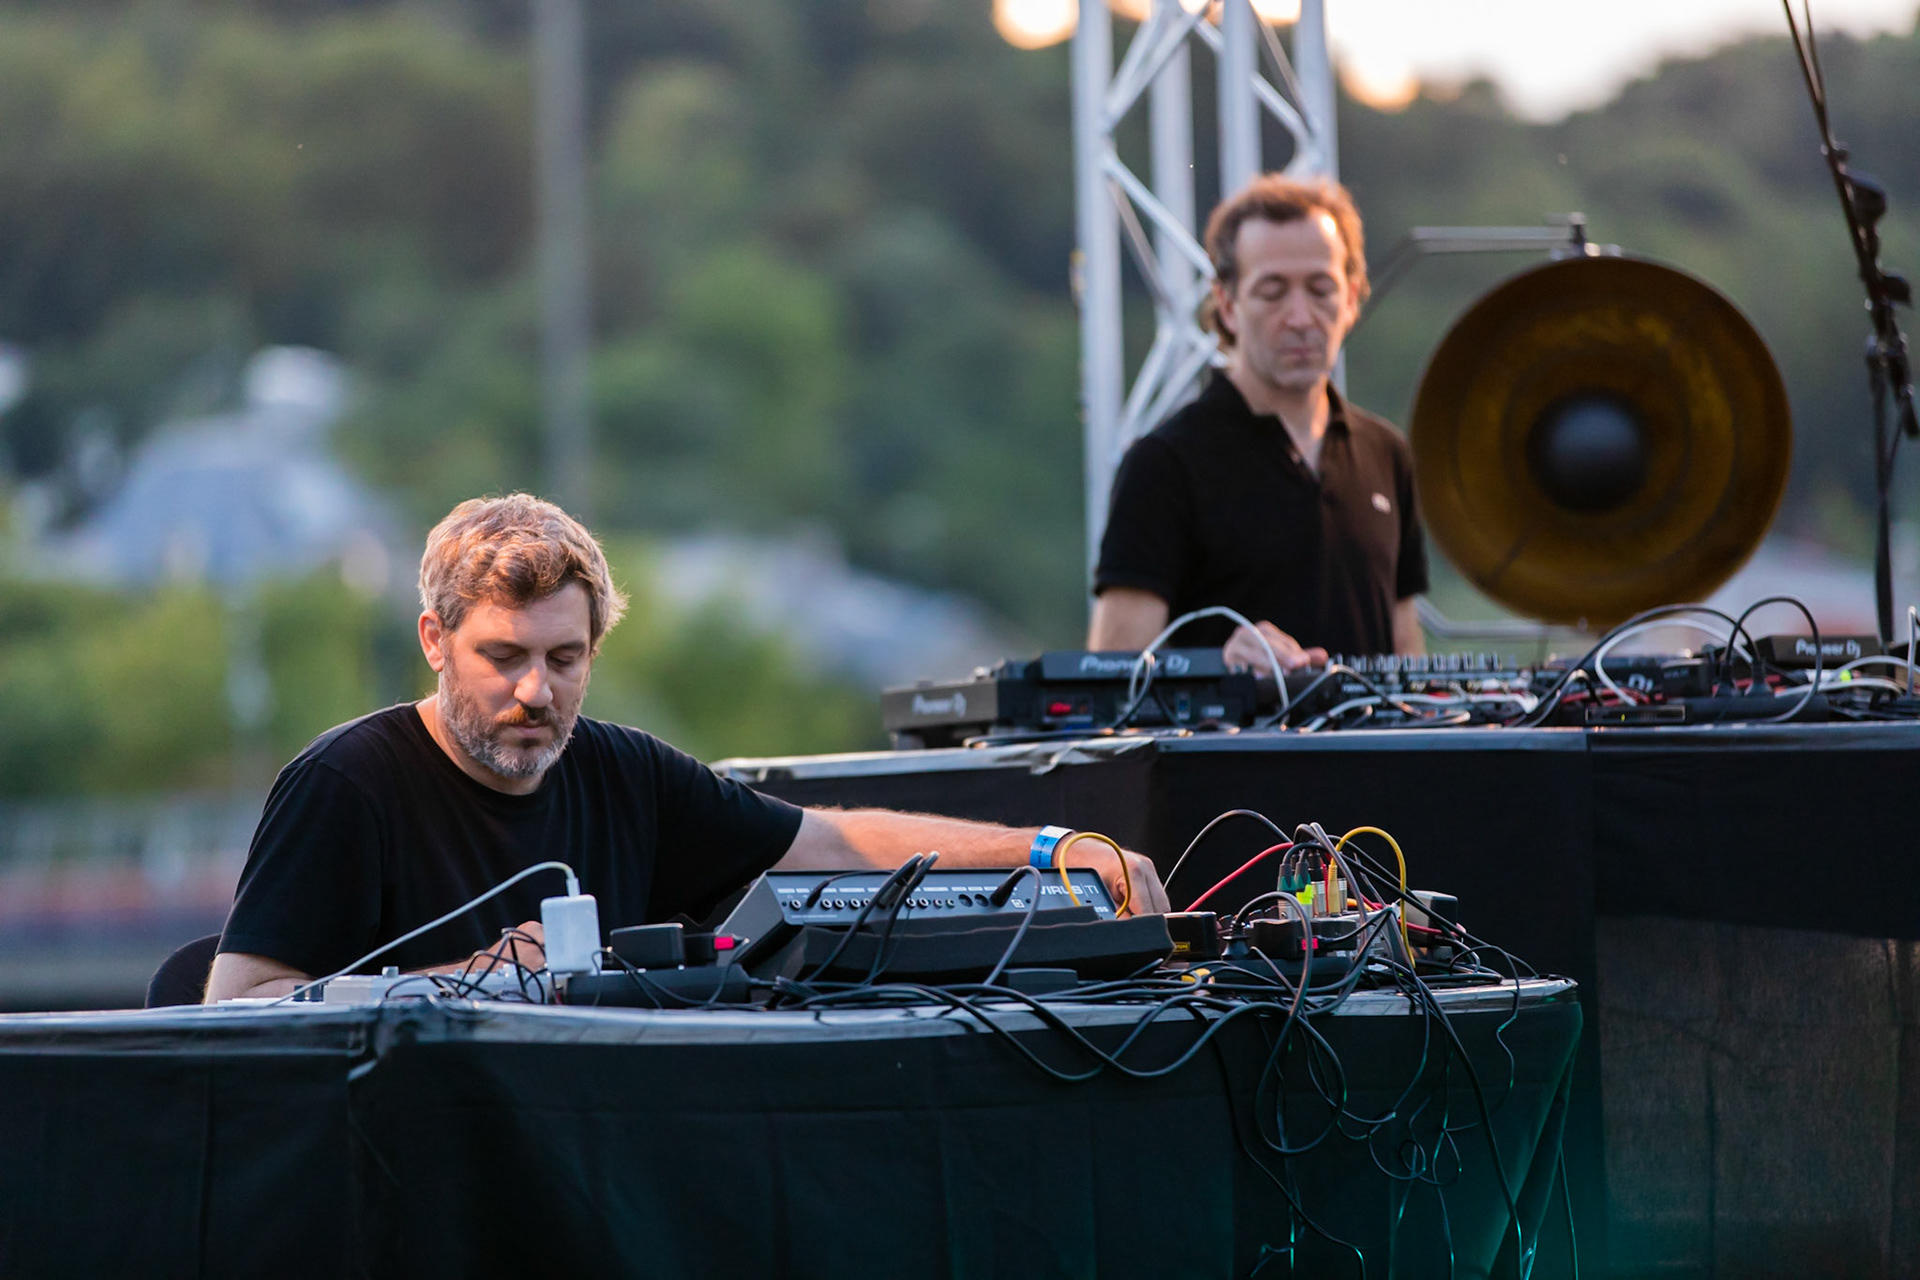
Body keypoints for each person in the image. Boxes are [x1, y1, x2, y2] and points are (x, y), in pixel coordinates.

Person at [205, 495, 1167, 1002]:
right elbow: (235, 1005)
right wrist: (458, 983)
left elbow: (832, 844)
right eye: (502, 656)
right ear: (433, 641)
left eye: (565, 658)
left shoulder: (624, 771)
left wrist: (1050, 852)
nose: (536, 691)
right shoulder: (344, 782)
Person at [1087, 174, 1428, 672]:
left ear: (1352, 299)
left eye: (1321, 289)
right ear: (1227, 304)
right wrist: (1220, 665)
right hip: (1229, 753)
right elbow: (1112, 677)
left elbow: (1405, 648)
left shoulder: (1386, 452)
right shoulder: (1165, 464)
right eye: (1272, 292)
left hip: (1372, 752)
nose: (1300, 317)